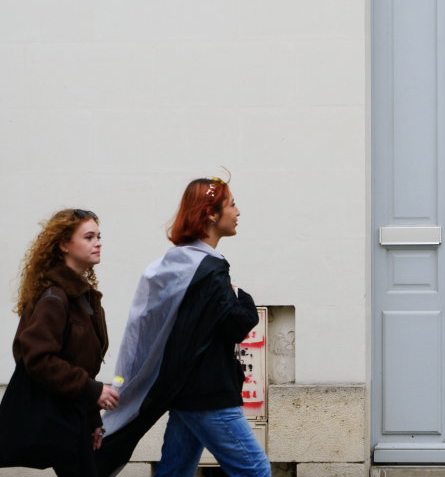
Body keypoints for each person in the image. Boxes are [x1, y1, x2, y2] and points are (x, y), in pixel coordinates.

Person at [96, 176, 269, 477]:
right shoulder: (211, 270)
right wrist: (241, 294)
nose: (238, 212)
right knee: (255, 470)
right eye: (232, 204)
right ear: (212, 215)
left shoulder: (171, 265)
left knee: (175, 472)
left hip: (184, 392)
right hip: (209, 394)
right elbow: (236, 325)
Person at [0, 209, 117, 477]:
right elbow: (38, 359)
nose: (98, 242)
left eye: (99, 236)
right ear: (64, 245)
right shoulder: (55, 298)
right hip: (57, 415)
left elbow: (80, 363)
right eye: (88, 237)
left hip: (71, 414)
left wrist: (91, 418)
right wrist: (93, 390)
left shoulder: (81, 298)